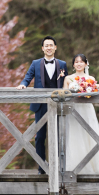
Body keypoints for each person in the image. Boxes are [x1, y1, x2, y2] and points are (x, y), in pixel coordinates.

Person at [62, 54, 99, 175]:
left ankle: (95, 165)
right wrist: (75, 89)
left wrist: (94, 86)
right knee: (75, 134)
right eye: (76, 62)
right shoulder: (68, 78)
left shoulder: (90, 79)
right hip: (74, 109)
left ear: (85, 64)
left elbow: (94, 91)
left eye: (81, 62)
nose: (79, 64)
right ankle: (75, 166)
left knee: (91, 134)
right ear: (73, 65)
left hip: (86, 109)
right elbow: (64, 93)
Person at [16, 36, 67, 173]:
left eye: (51, 45)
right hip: (40, 105)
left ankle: (58, 167)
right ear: (42, 48)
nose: (49, 47)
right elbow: (28, 77)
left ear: (55, 47)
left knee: (58, 136)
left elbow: (66, 83)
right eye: (46, 45)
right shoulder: (35, 63)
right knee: (40, 137)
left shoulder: (62, 64)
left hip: (57, 104)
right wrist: (23, 84)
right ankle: (41, 167)